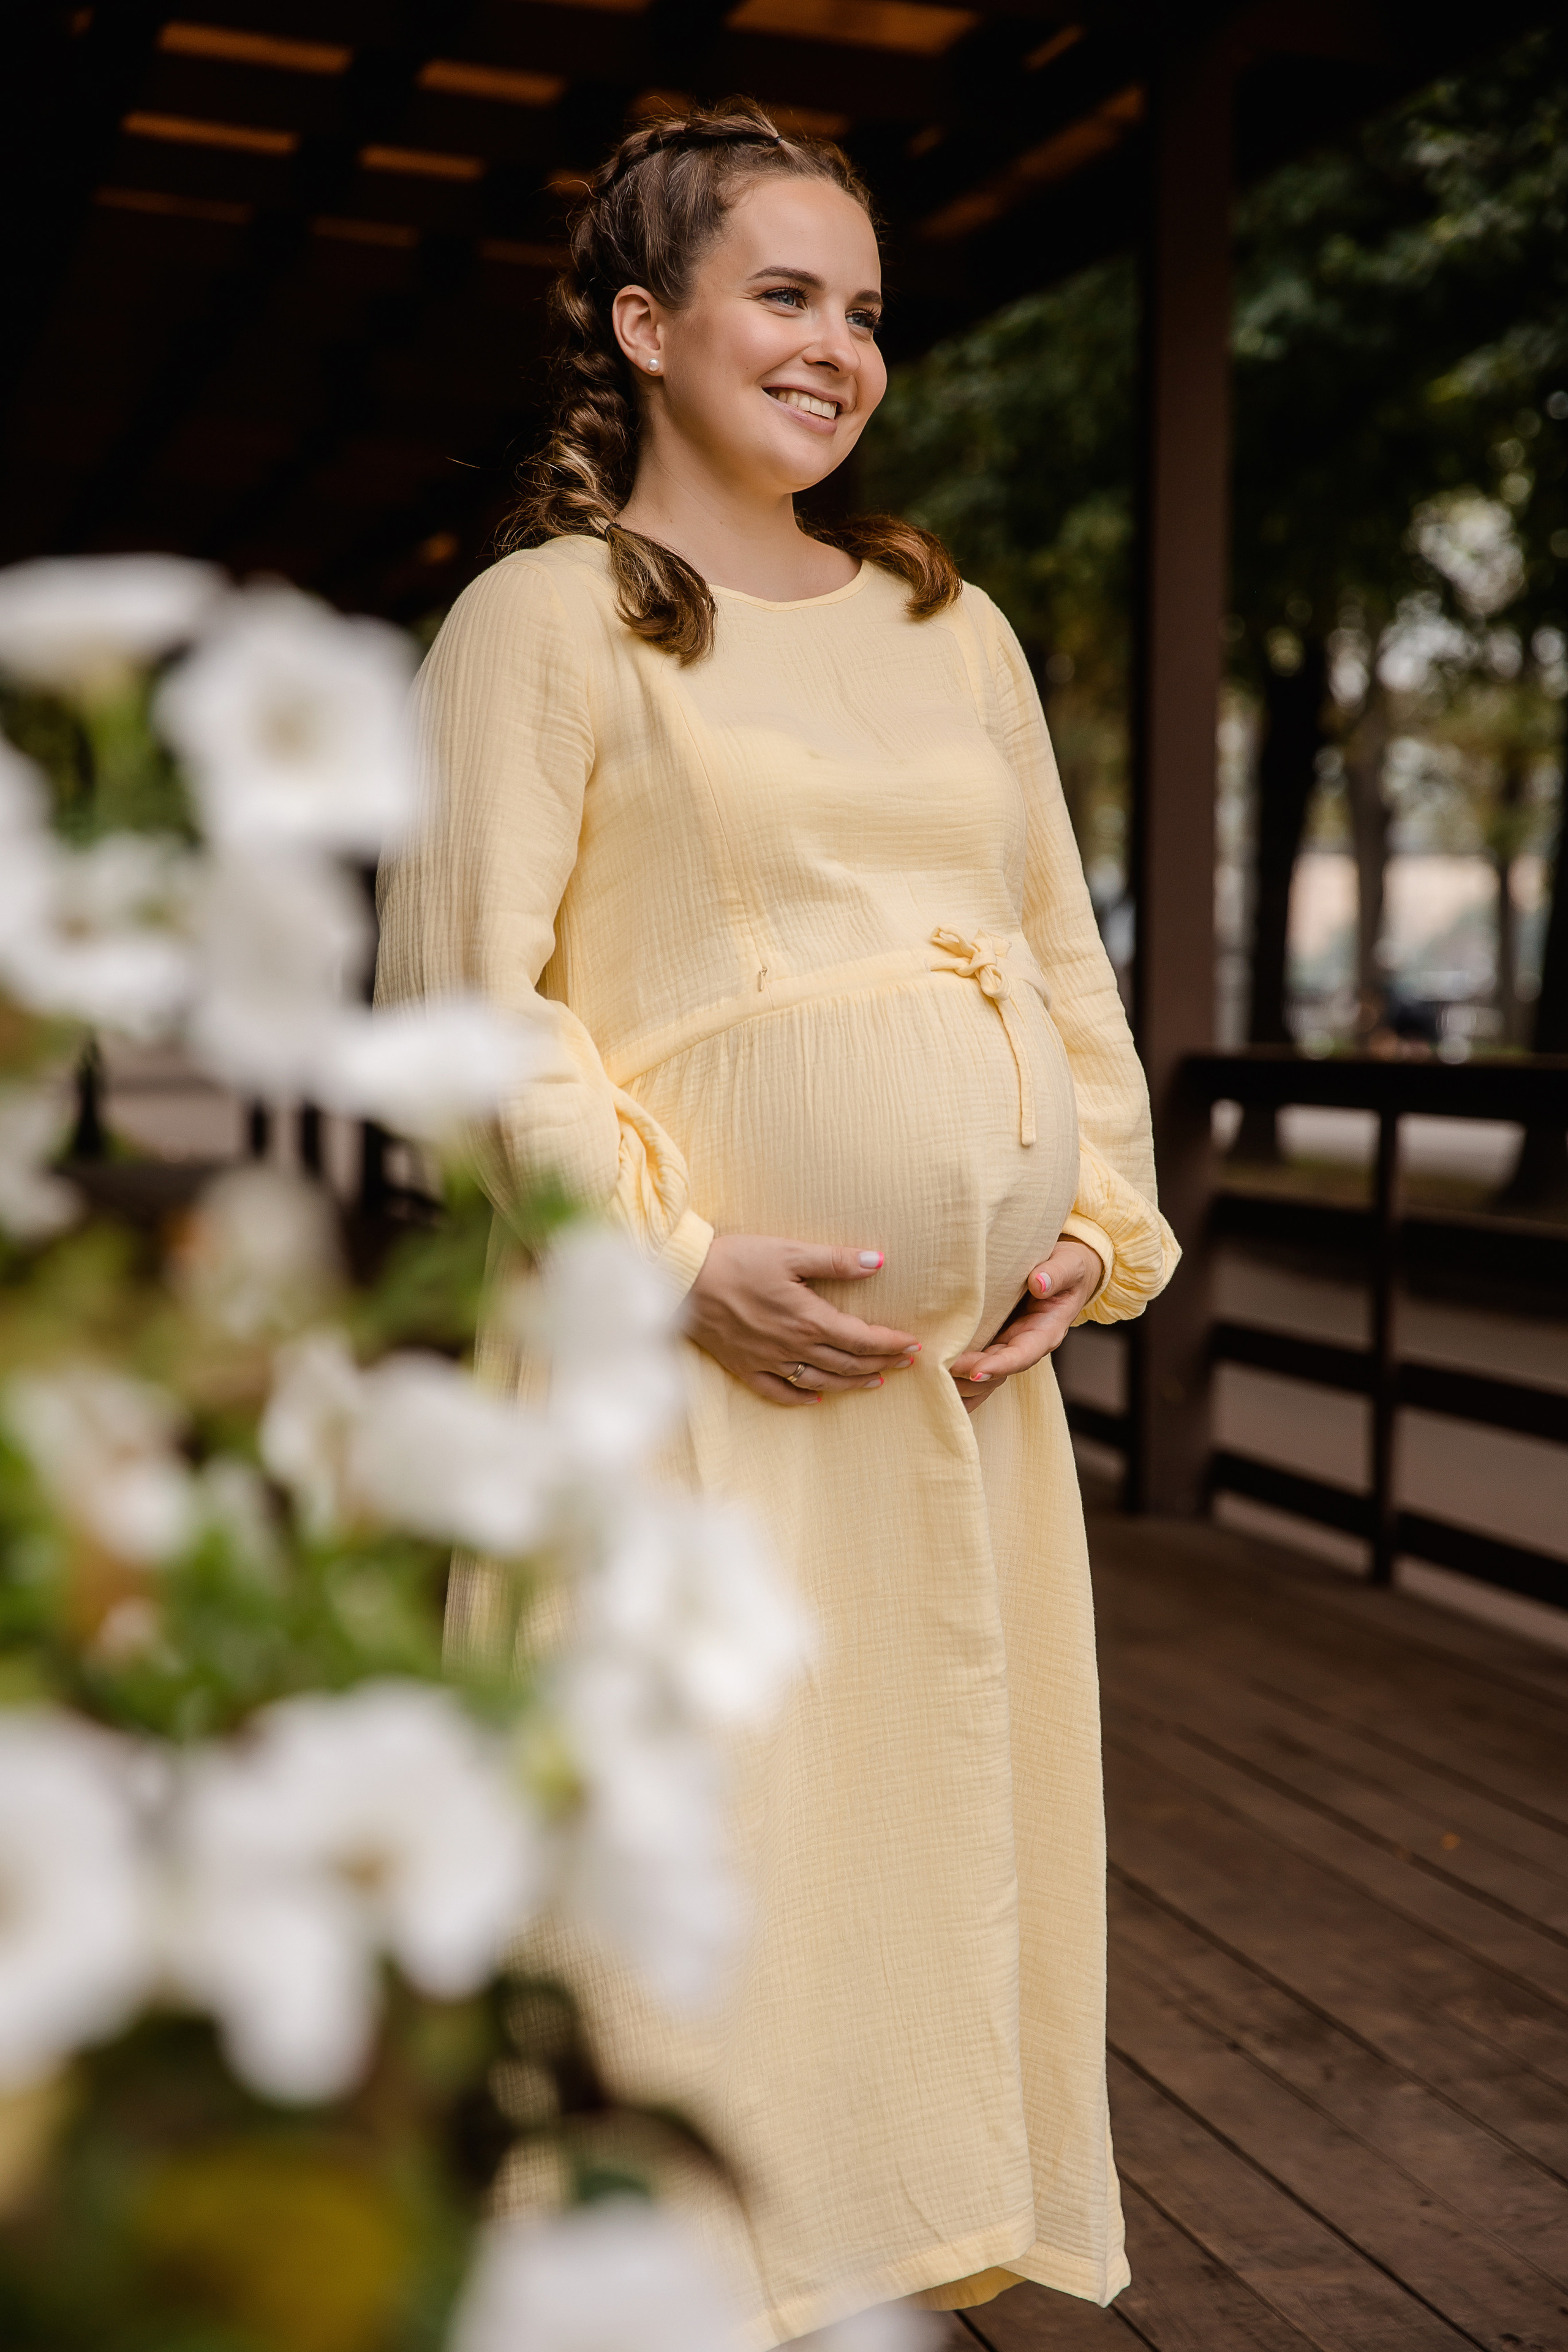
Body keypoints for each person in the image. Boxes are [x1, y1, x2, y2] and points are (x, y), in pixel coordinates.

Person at [376, 97, 1177, 2345]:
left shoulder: (951, 623)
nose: (842, 348)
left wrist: (1090, 1226)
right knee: (693, 1873)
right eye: (788, 295)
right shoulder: (544, 623)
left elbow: (1062, 959)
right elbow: (464, 1005)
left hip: (951, 1401)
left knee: (916, 1855)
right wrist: (669, 1265)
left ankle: (861, 2277)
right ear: (648, 327)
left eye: (868, 311)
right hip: (684, 1396)